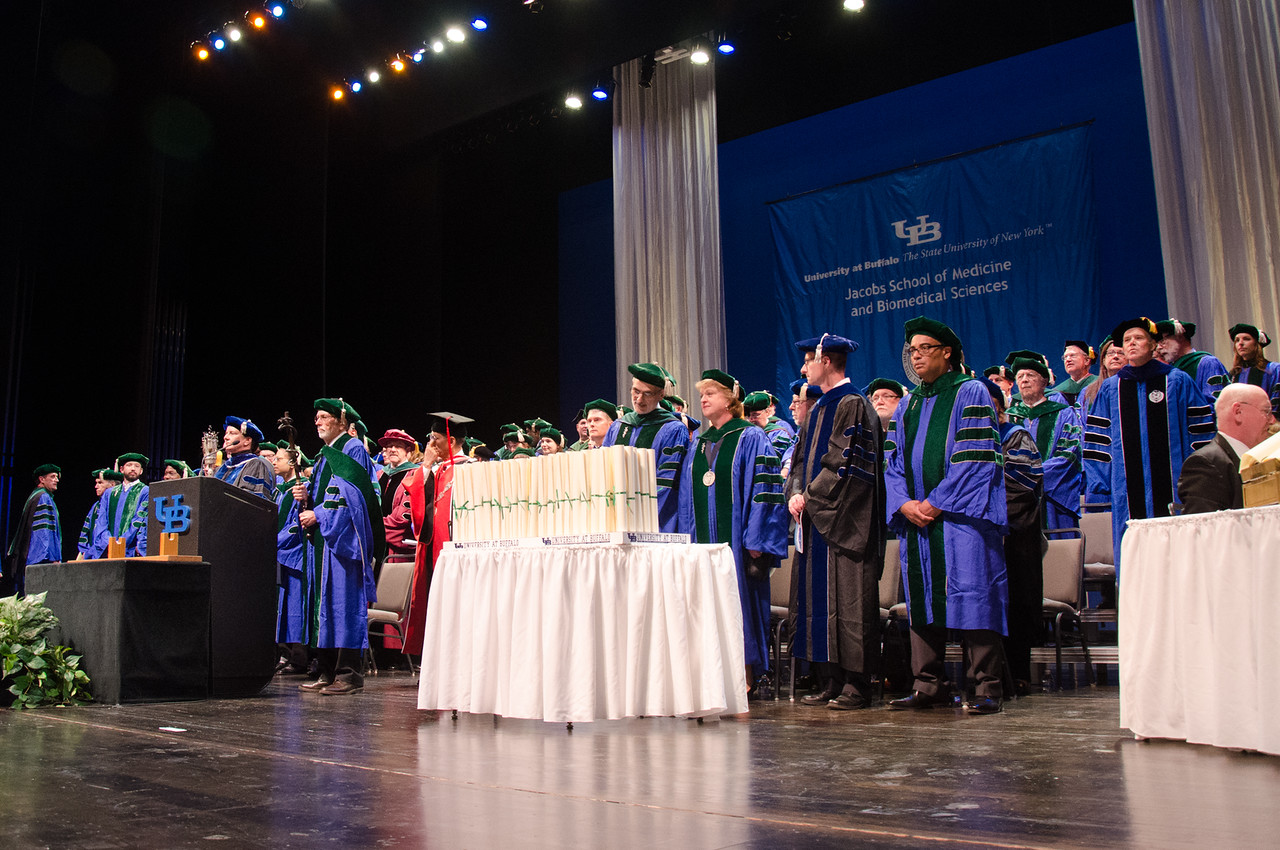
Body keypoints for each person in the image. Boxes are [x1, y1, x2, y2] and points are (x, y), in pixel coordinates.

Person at [884, 317, 1009, 715]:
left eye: (925, 349)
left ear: (947, 352)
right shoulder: (908, 403)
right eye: (912, 351)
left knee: (975, 594)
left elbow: (975, 458)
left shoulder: (970, 391)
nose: (916, 357)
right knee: (922, 599)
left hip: (961, 518)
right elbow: (892, 462)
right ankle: (928, 684)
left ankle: (986, 686)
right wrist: (903, 503)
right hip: (919, 520)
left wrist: (935, 502)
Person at [786, 333, 883, 711]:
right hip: (816, 519)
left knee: (850, 602)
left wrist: (809, 498)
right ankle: (830, 679)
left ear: (826, 361)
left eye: (808, 360)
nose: (803, 368)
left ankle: (856, 684)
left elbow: (844, 463)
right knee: (818, 602)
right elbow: (798, 462)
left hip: (845, 523)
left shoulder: (853, 405)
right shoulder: (818, 409)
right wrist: (795, 493)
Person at [678, 370, 789, 696]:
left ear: (730, 399)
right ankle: (712, 677)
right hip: (704, 544)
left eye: (710, 393)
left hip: (740, 545)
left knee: (740, 605)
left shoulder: (751, 437)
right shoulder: (699, 443)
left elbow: (764, 490)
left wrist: (756, 539)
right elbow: (687, 498)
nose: (703, 399)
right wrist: (688, 541)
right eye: (702, 394)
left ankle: (745, 676)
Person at [1083, 318, 1216, 573]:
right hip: (1126, 493)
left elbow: (1199, 431)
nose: (1132, 343)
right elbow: (1098, 439)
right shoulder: (1111, 388)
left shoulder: (1177, 381)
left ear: (1153, 344)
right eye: (1127, 340)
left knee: (1178, 557)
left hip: (1174, 488)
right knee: (1135, 558)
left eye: (1139, 338)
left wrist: (1197, 478)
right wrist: (1101, 482)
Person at [293, 398, 384, 695]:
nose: (317, 422)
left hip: (344, 538)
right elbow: (325, 493)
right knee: (325, 605)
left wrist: (318, 513)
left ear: (341, 420)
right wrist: (306, 496)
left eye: (324, 417)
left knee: (344, 604)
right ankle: (327, 670)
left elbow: (350, 495)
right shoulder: (324, 455)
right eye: (316, 418)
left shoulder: (352, 447)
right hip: (324, 538)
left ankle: (349, 674)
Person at [983, 378, 1045, 693]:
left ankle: (1017, 674)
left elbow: (1022, 485)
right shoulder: (967, 439)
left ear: (998, 406)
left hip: (1012, 536)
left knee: (1015, 604)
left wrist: (985, 511)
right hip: (981, 535)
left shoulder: (1015, 436)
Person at [403, 413, 471, 658]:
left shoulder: (470, 469)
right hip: (432, 546)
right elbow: (415, 496)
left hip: (456, 548)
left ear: (450, 441)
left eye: (435, 438)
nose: (430, 444)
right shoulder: (437, 469)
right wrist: (426, 466)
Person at [604, 362, 690, 532]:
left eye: (647, 393)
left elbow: (668, 480)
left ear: (661, 395)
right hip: (615, 520)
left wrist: (639, 516)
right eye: (636, 391)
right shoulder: (618, 426)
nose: (639, 399)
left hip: (655, 521)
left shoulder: (673, 429)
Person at [1006, 352, 1082, 535]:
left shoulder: (1064, 414)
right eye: (1020, 377)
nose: (1024, 380)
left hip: (1053, 499)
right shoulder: (1008, 417)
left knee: (1059, 549)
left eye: (1030, 375)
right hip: (1016, 500)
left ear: (1044, 382)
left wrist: (1033, 475)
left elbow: (1069, 453)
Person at [1177, 384, 1275, 514]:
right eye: (1266, 411)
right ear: (1238, 412)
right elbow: (1205, 525)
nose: (1272, 420)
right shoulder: (1206, 464)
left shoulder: (1264, 459)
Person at [273, 441, 313, 675]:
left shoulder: (301, 489)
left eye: (278, 459)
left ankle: (299, 657)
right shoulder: (281, 491)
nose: (274, 462)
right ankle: (283, 653)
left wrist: (273, 541)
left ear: (292, 463)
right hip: (282, 554)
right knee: (284, 607)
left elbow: (296, 526)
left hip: (295, 555)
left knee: (296, 607)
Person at [2, 464, 63, 597]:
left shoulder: (35, 495)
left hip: (33, 560)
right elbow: (43, 533)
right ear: (42, 479)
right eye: (52, 476)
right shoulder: (43, 497)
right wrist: (52, 558)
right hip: (40, 561)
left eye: (57, 477)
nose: (57, 480)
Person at [90, 453, 150, 558]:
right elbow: (102, 521)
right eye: (129, 465)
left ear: (141, 471)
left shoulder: (145, 491)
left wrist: (121, 542)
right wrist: (109, 542)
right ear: (121, 469)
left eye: (137, 466)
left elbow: (140, 520)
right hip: (108, 548)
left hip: (130, 549)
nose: (133, 468)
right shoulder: (109, 493)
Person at [1156, 318, 1229, 403]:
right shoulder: (1170, 369)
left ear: (1180, 336)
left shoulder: (1208, 363)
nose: (1159, 347)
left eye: (1163, 341)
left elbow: (1215, 403)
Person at [376, 429, 420, 559]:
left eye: (398, 446)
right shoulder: (379, 475)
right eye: (389, 446)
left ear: (407, 450)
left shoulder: (414, 475)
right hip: (376, 543)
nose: (393, 450)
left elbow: (403, 517)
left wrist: (374, 527)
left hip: (399, 545)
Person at [214, 416, 277, 500]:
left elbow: (249, 500)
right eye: (226, 433)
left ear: (247, 441)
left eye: (232, 433)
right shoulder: (225, 466)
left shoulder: (255, 465)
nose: (225, 437)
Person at [1228, 323, 1280, 414]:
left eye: (1246, 339)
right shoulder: (1234, 374)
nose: (1240, 343)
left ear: (1257, 344)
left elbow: (1276, 401)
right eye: (1237, 340)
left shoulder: (1273, 369)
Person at [781, 379, 822, 478]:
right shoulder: (802, 432)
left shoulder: (822, 433)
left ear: (813, 405)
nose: (791, 407)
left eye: (796, 402)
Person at [77, 468, 120, 559]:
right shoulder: (96, 506)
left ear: (112, 485)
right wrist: (84, 551)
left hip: (110, 553)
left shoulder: (117, 506)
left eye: (100, 483)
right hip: (92, 555)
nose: (96, 486)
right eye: (96, 483)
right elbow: (85, 531)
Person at [1080, 337, 1126, 413]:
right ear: (1103, 360)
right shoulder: (1088, 392)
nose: (1115, 356)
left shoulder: (1134, 388)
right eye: (1111, 353)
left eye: (1121, 353)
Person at [744, 391, 796, 456]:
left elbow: (775, 458)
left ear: (767, 412)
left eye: (755, 415)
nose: (751, 419)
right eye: (748, 416)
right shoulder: (745, 433)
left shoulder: (778, 433)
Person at [1051, 340, 1098, 407]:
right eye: (1065, 357)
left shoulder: (1100, 384)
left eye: (1073, 355)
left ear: (1087, 360)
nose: (1068, 360)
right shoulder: (1058, 392)